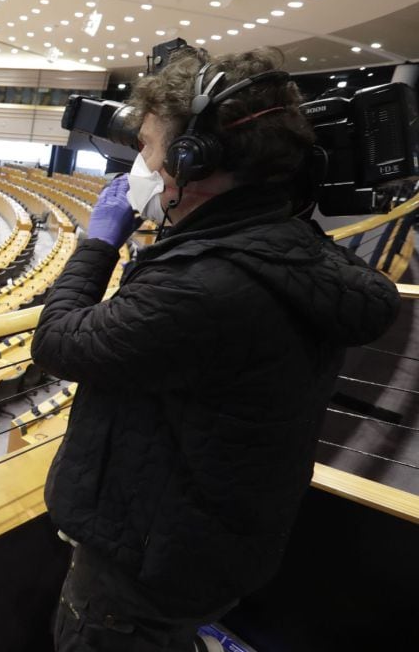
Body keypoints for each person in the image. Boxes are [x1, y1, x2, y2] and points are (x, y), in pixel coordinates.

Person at [29, 47, 401, 652]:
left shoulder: (204, 288)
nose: (138, 167)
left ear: (191, 160)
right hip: (215, 549)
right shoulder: (290, 245)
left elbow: (57, 340)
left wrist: (98, 246)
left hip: (138, 578)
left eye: (148, 148)